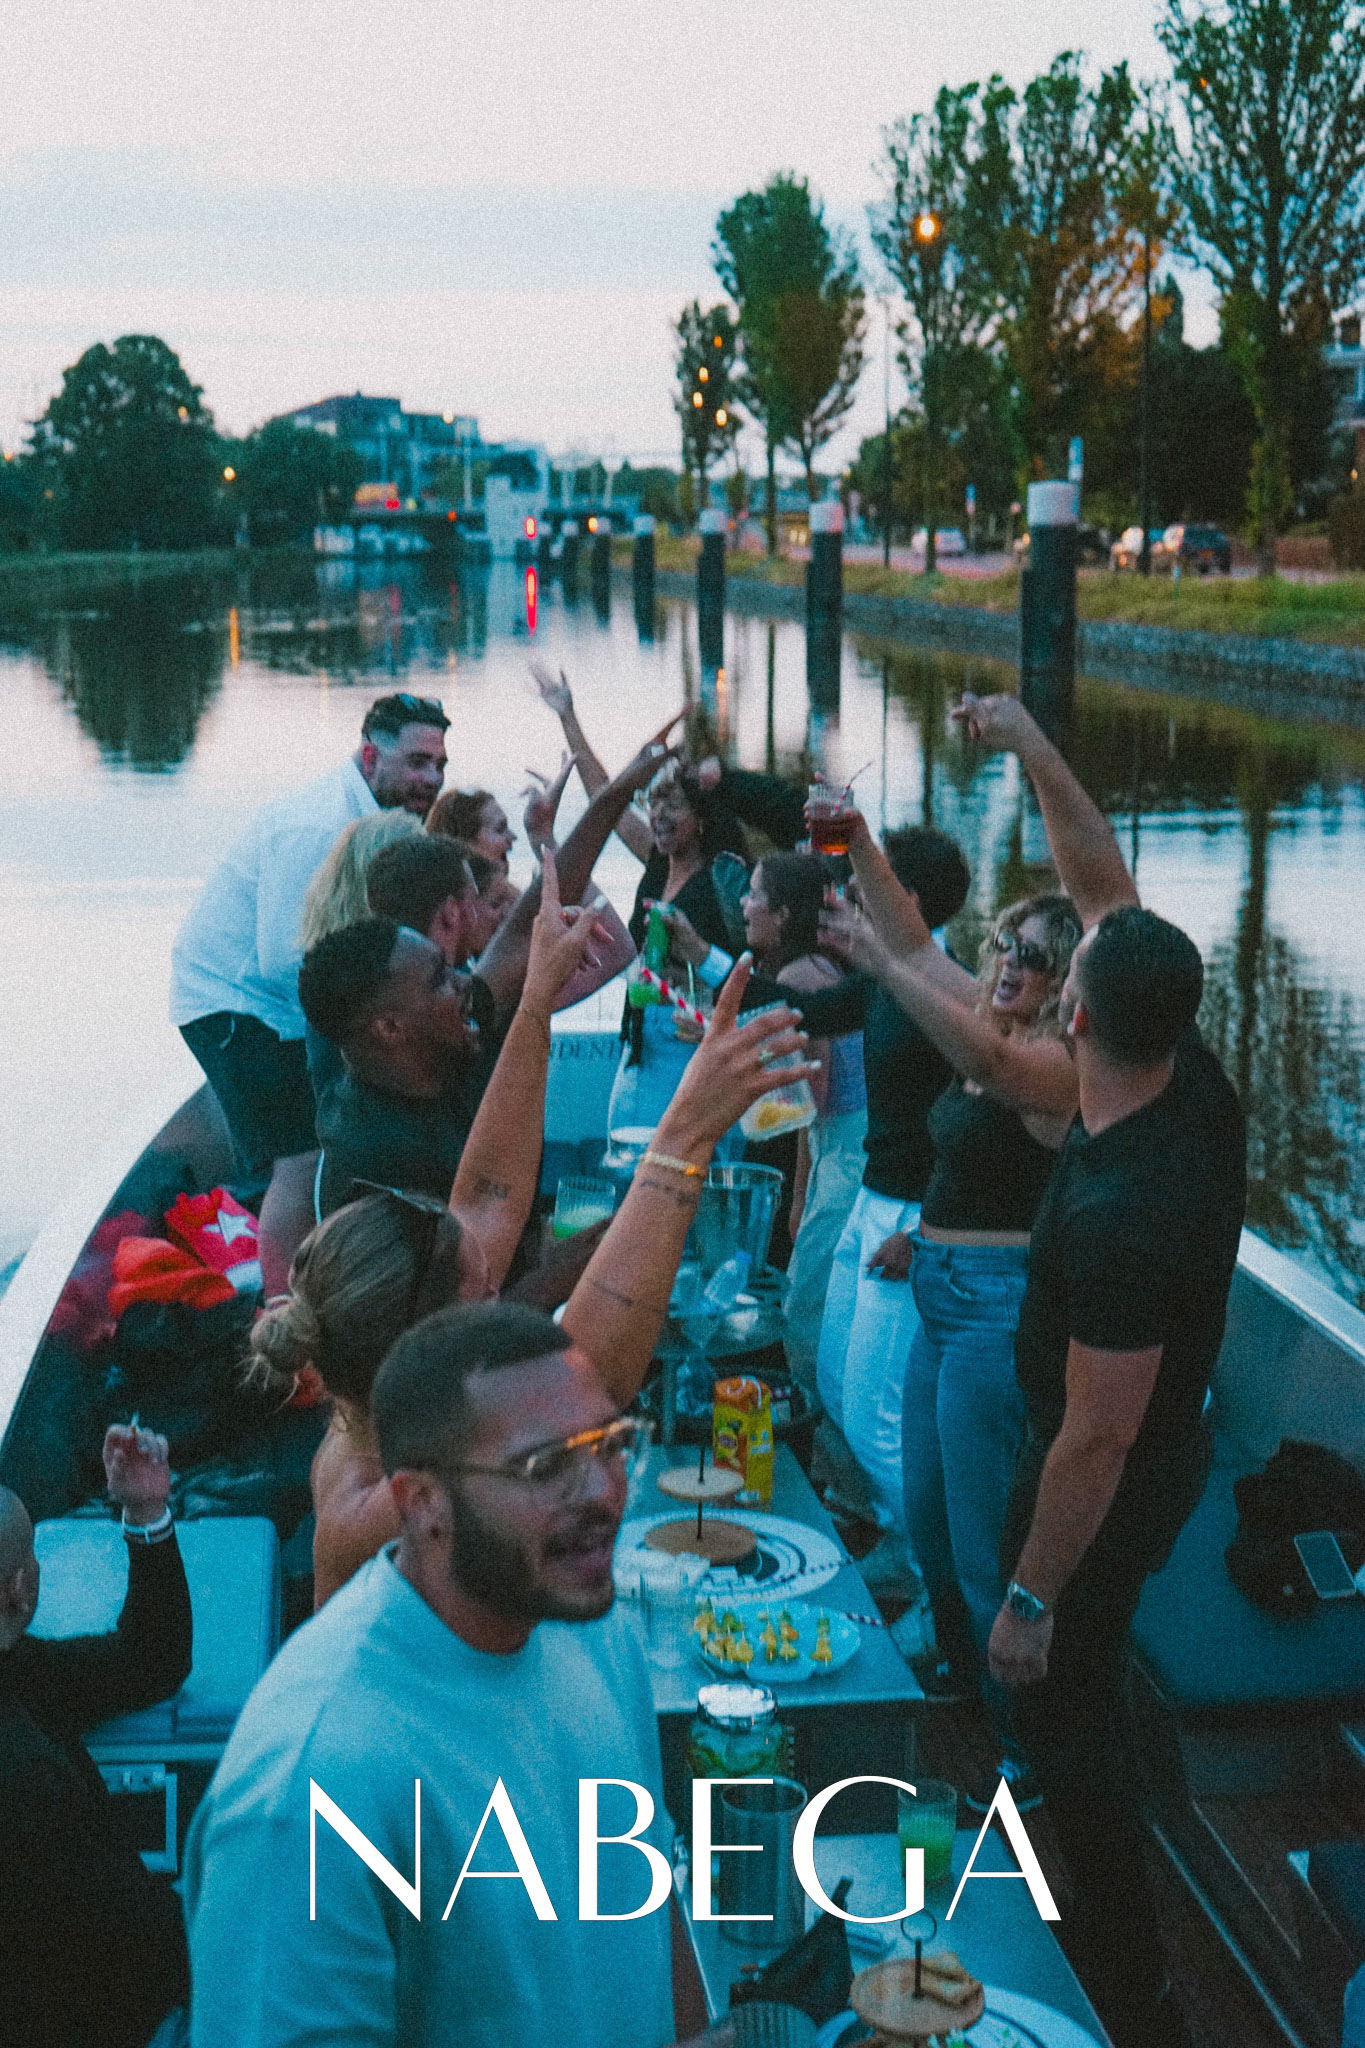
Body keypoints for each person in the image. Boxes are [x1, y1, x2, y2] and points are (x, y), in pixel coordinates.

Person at [183, 966, 812, 2048]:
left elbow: (637, 1880)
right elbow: (598, 1350)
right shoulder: (311, 1774)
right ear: (426, 1498)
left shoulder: (576, 1612)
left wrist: (534, 1001)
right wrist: (683, 1139)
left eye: (607, 1449)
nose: (599, 1496)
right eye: (547, 1465)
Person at [949, 694, 1245, 2048]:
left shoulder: (1128, 1205)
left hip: (1106, 1484)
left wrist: (1028, 1596)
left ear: (1071, 1011)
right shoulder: (1192, 1087)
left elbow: (1096, 1438)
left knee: (1065, 1712)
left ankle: (1130, 1987)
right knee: (1085, 1693)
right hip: (1139, 1457)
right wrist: (1026, 743)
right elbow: (1102, 888)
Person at [257, 849, 610, 1606]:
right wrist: (656, 1192)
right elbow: (526, 1326)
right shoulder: (372, 1505)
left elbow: (486, 1201)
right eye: (482, 1299)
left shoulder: (370, 1432)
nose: (464, 988)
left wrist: (539, 992)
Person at [170, 693, 450, 1199]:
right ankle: (290, 1250)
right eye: (417, 762)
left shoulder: (385, 817)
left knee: (332, 1140)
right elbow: (282, 958)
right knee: (302, 1157)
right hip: (235, 1002)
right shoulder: (317, 826)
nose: (432, 779)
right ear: (371, 757)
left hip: (282, 1000)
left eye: (439, 765)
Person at [0, 1423, 192, 2048]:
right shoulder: (31, 1777)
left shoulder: (20, 1674)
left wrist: (146, 1515)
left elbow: (150, 1659)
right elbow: (134, 1944)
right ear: (20, 1587)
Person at [740, 853, 868, 1373]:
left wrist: (718, 1043)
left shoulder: (800, 976)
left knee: (805, 1307)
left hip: (846, 1151)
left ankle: (817, 1412)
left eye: (754, 894)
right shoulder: (815, 967)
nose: (744, 905)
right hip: (835, 1146)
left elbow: (807, 1096)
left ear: (783, 915)